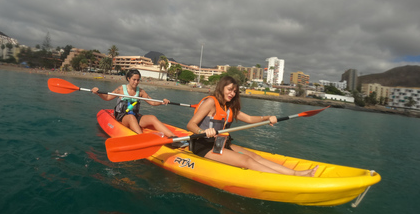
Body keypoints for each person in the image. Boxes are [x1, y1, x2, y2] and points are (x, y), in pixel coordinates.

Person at [186, 75, 318, 177]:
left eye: (234, 91)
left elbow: (249, 119)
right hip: (203, 145)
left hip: (220, 143)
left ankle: (295, 173)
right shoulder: (210, 102)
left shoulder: (228, 107)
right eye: (229, 90)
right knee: (246, 160)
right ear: (221, 88)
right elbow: (191, 124)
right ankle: (287, 179)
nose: (232, 94)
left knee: (255, 157)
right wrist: (203, 131)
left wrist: (267, 118)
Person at [92, 69, 187, 147]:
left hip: (135, 116)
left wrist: (162, 102)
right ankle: (142, 140)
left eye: (138, 80)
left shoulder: (141, 91)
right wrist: (98, 93)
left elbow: (152, 102)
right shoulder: (121, 89)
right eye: (134, 79)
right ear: (128, 78)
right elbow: (108, 98)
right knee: (131, 117)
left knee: (152, 118)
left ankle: (175, 139)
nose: (136, 82)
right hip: (122, 116)